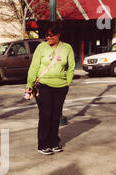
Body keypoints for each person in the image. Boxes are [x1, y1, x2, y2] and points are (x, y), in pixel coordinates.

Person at [25, 21, 75, 155]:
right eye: (47, 35)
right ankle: (43, 144)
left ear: (59, 34)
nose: (48, 38)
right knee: (46, 115)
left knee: (55, 116)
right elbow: (34, 67)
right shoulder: (41, 47)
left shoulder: (67, 48)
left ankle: (54, 142)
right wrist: (29, 85)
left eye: (51, 35)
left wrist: (68, 82)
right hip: (44, 85)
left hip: (61, 86)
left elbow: (70, 67)